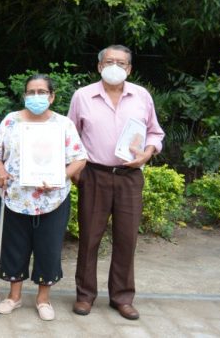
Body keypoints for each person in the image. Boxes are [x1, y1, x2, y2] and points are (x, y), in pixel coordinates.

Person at [69, 45, 165, 320]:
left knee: (126, 238)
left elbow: (155, 133)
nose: (115, 66)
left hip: (130, 176)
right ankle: (85, 296)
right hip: (95, 174)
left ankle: (122, 297)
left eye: (121, 63)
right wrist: (76, 171)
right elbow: (70, 135)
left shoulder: (142, 96)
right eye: (109, 61)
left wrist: (147, 153)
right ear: (99, 66)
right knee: (89, 237)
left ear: (129, 69)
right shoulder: (82, 96)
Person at [0, 74, 86, 321]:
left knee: (48, 249)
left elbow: (79, 158)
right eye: (31, 92)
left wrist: (61, 176)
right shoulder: (11, 121)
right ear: (24, 95)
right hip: (15, 197)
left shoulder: (63, 124)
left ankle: (43, 299)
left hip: (52, 199)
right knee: (13, 247)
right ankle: (14, 297)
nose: (36, 96)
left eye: (42, 92)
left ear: (52, 96)